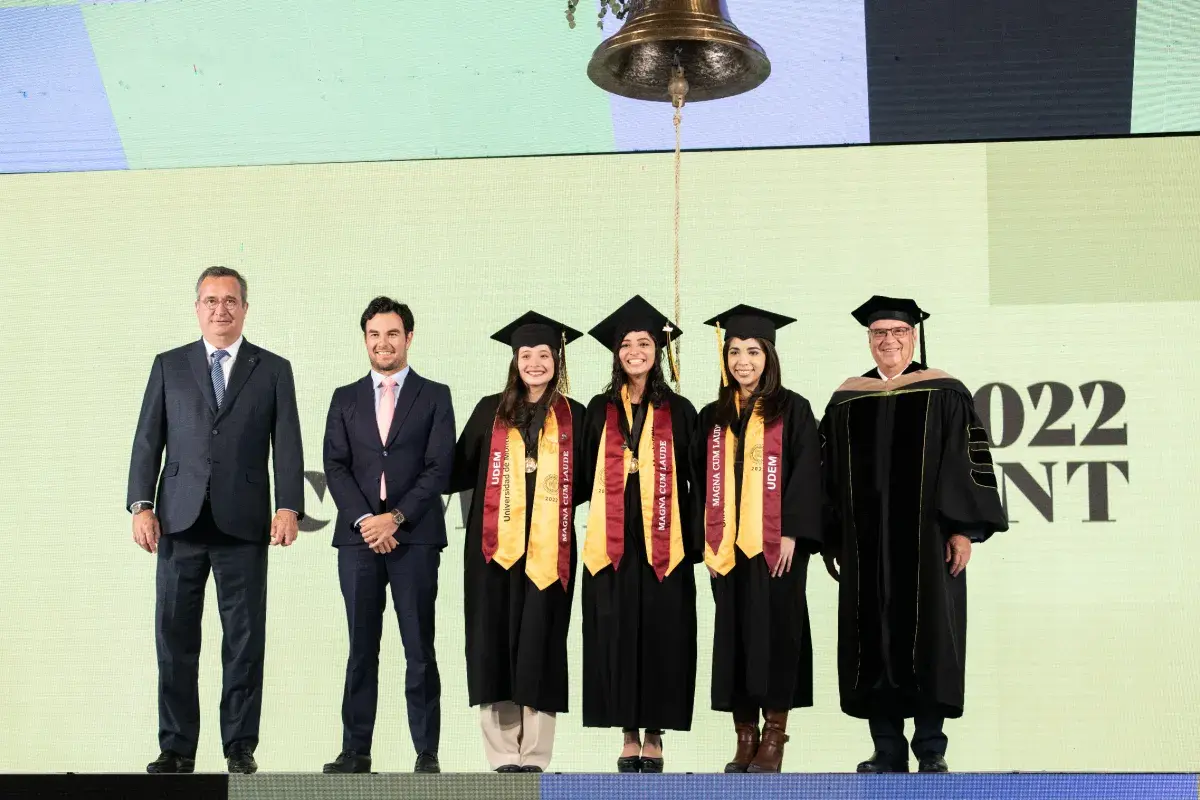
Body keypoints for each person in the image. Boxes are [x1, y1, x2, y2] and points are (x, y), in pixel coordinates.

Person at [819, 295, 1008, 774]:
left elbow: (966, 462)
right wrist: (833, 537)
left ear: (913, 336)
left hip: (928, 541)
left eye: (898, 332)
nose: (889, 341)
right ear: (869, 339)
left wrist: (963, 531)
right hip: (863, 545)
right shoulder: (847, 399)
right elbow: (827, 474)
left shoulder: (945, 393)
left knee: (929, 636)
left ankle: (930, 746)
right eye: (879, 333)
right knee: (870, 637)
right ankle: (886, 747)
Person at [127, 266, 304, 775]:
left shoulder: (273, 369)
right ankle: (176, 748)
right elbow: (148, 439)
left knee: (244, 642)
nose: (220, 309)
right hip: (177, 523)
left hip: (243, 525)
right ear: (197, 308)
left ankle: (239, 747)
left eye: (230, 300)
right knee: (174, 640)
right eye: (210, 300)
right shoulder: (169, 365)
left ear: (244, 308)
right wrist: (141, 505)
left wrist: (288, 505)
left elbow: (287, 442)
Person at [447, 311, 586, 773]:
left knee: (541, 644)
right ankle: (503, 754)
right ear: (514, 360)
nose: (534, 363)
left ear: (557, 360)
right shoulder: (490, 410)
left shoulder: (575, 416)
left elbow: (590, 480)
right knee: (493, 642)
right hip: (493, 549)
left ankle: (535, 756)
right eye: (526, 355)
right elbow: (457, 469)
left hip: (550, 548)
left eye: (544, 355)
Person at [321, 297, 455, 775]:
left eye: (393, 334)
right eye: (374, 334)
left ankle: (426, 751)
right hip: (359, 541)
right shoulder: (344, 397)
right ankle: (355, 750)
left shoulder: (435, 395)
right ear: (365, 339)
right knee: (362, 648)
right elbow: (335, 465)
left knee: (419, 646)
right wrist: (367, 521)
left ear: (409, 338)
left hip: (414, 538)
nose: (383, 343)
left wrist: (394, 518)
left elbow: (439, 467)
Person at [692, 304, 823, 774]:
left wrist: (792, 531)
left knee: (778, 635)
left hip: (776, 549)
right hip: (727, 549)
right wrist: (707, 540)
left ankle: (774, 736)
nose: (742, 361)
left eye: (752, 351)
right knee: (735, 640)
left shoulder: (793, 408)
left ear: (769, 355)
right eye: (734, 351)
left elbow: (808, 473)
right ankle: (744, 736)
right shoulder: (712, 416)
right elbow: (698, 482)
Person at [579, 296, 699, 774]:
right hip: (612, 541)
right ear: (616, 352)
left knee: (663, 634)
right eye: (626, 344)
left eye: (645, 343)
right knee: (616, 631)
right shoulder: (598, 409)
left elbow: (697, 480)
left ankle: (655, 733)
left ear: (657, 351)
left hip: (664, 540)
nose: (635, 351)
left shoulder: (680, 410)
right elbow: (576, 476)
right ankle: (628, 732)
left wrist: (698, 543)